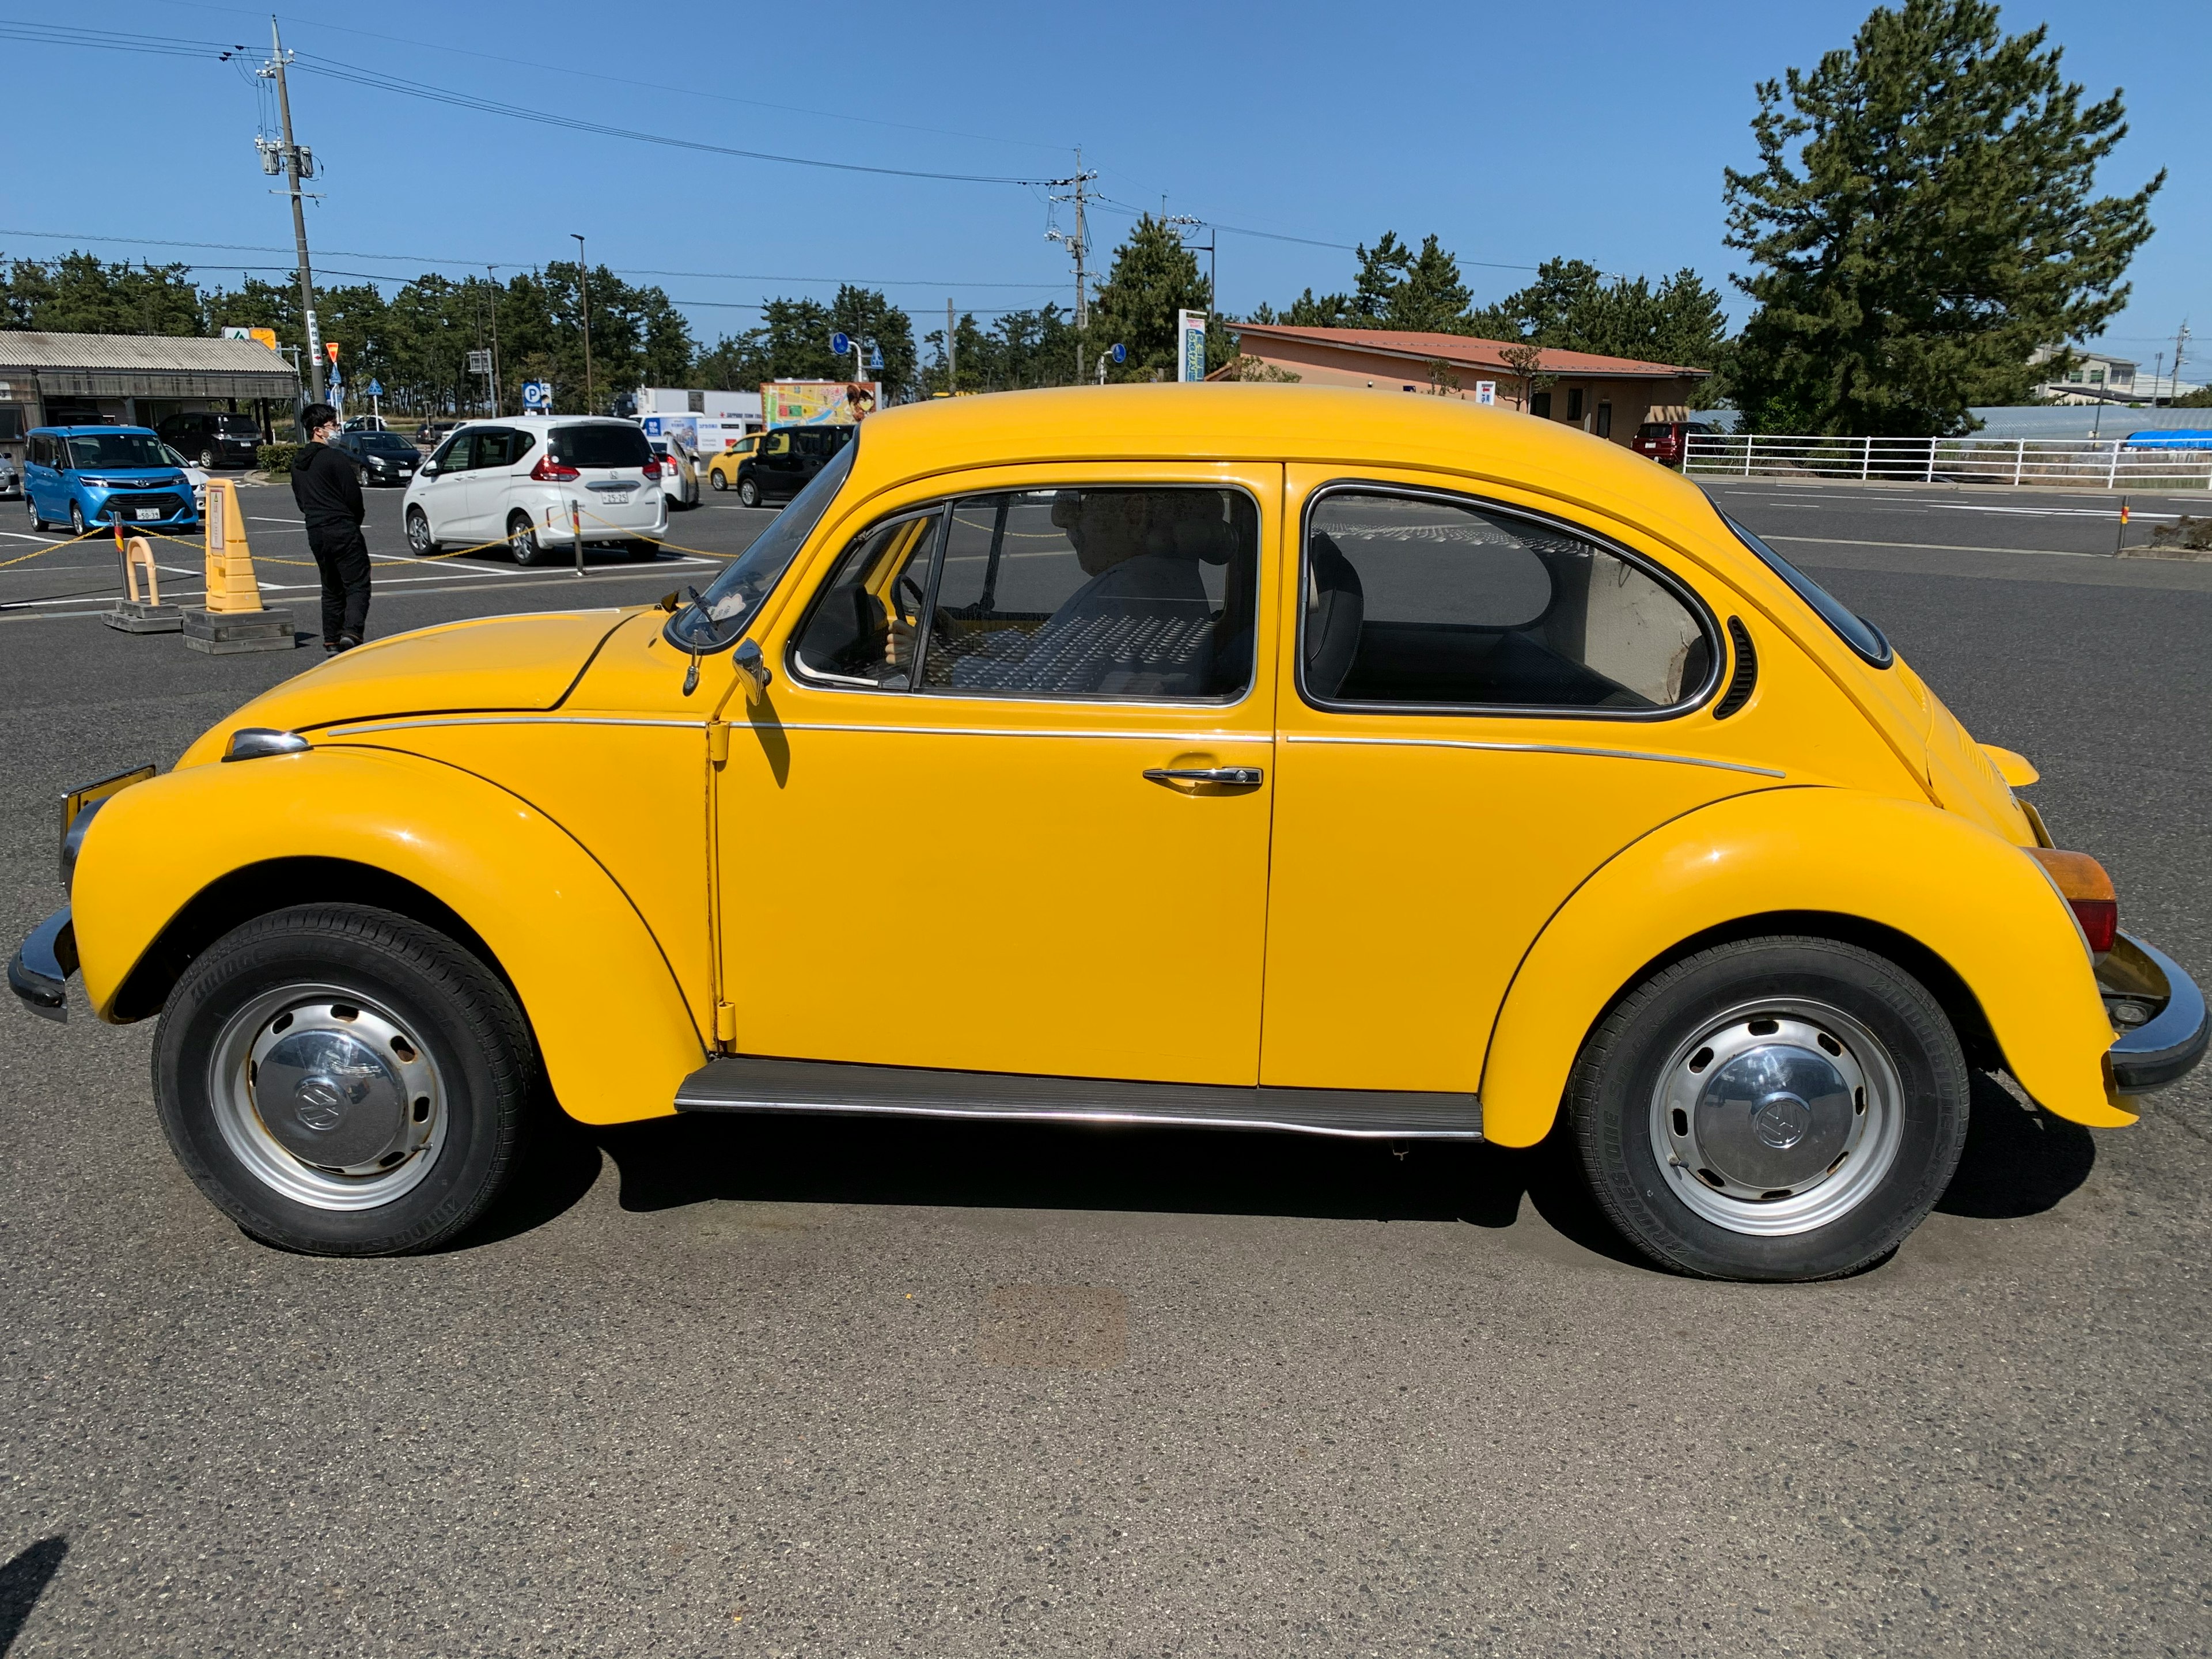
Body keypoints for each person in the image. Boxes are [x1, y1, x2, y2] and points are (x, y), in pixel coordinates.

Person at [290, 402, 371, 652]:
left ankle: (332, 638)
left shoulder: (297, 464)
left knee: (331, 586)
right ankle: (352, 632)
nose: (337, 429)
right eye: (333, 425)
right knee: (357, 583)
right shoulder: (335, 459)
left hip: (316, 529)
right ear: (318, 430)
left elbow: (301, 501)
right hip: (342, 527)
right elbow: (354, 498)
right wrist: (354, 522)